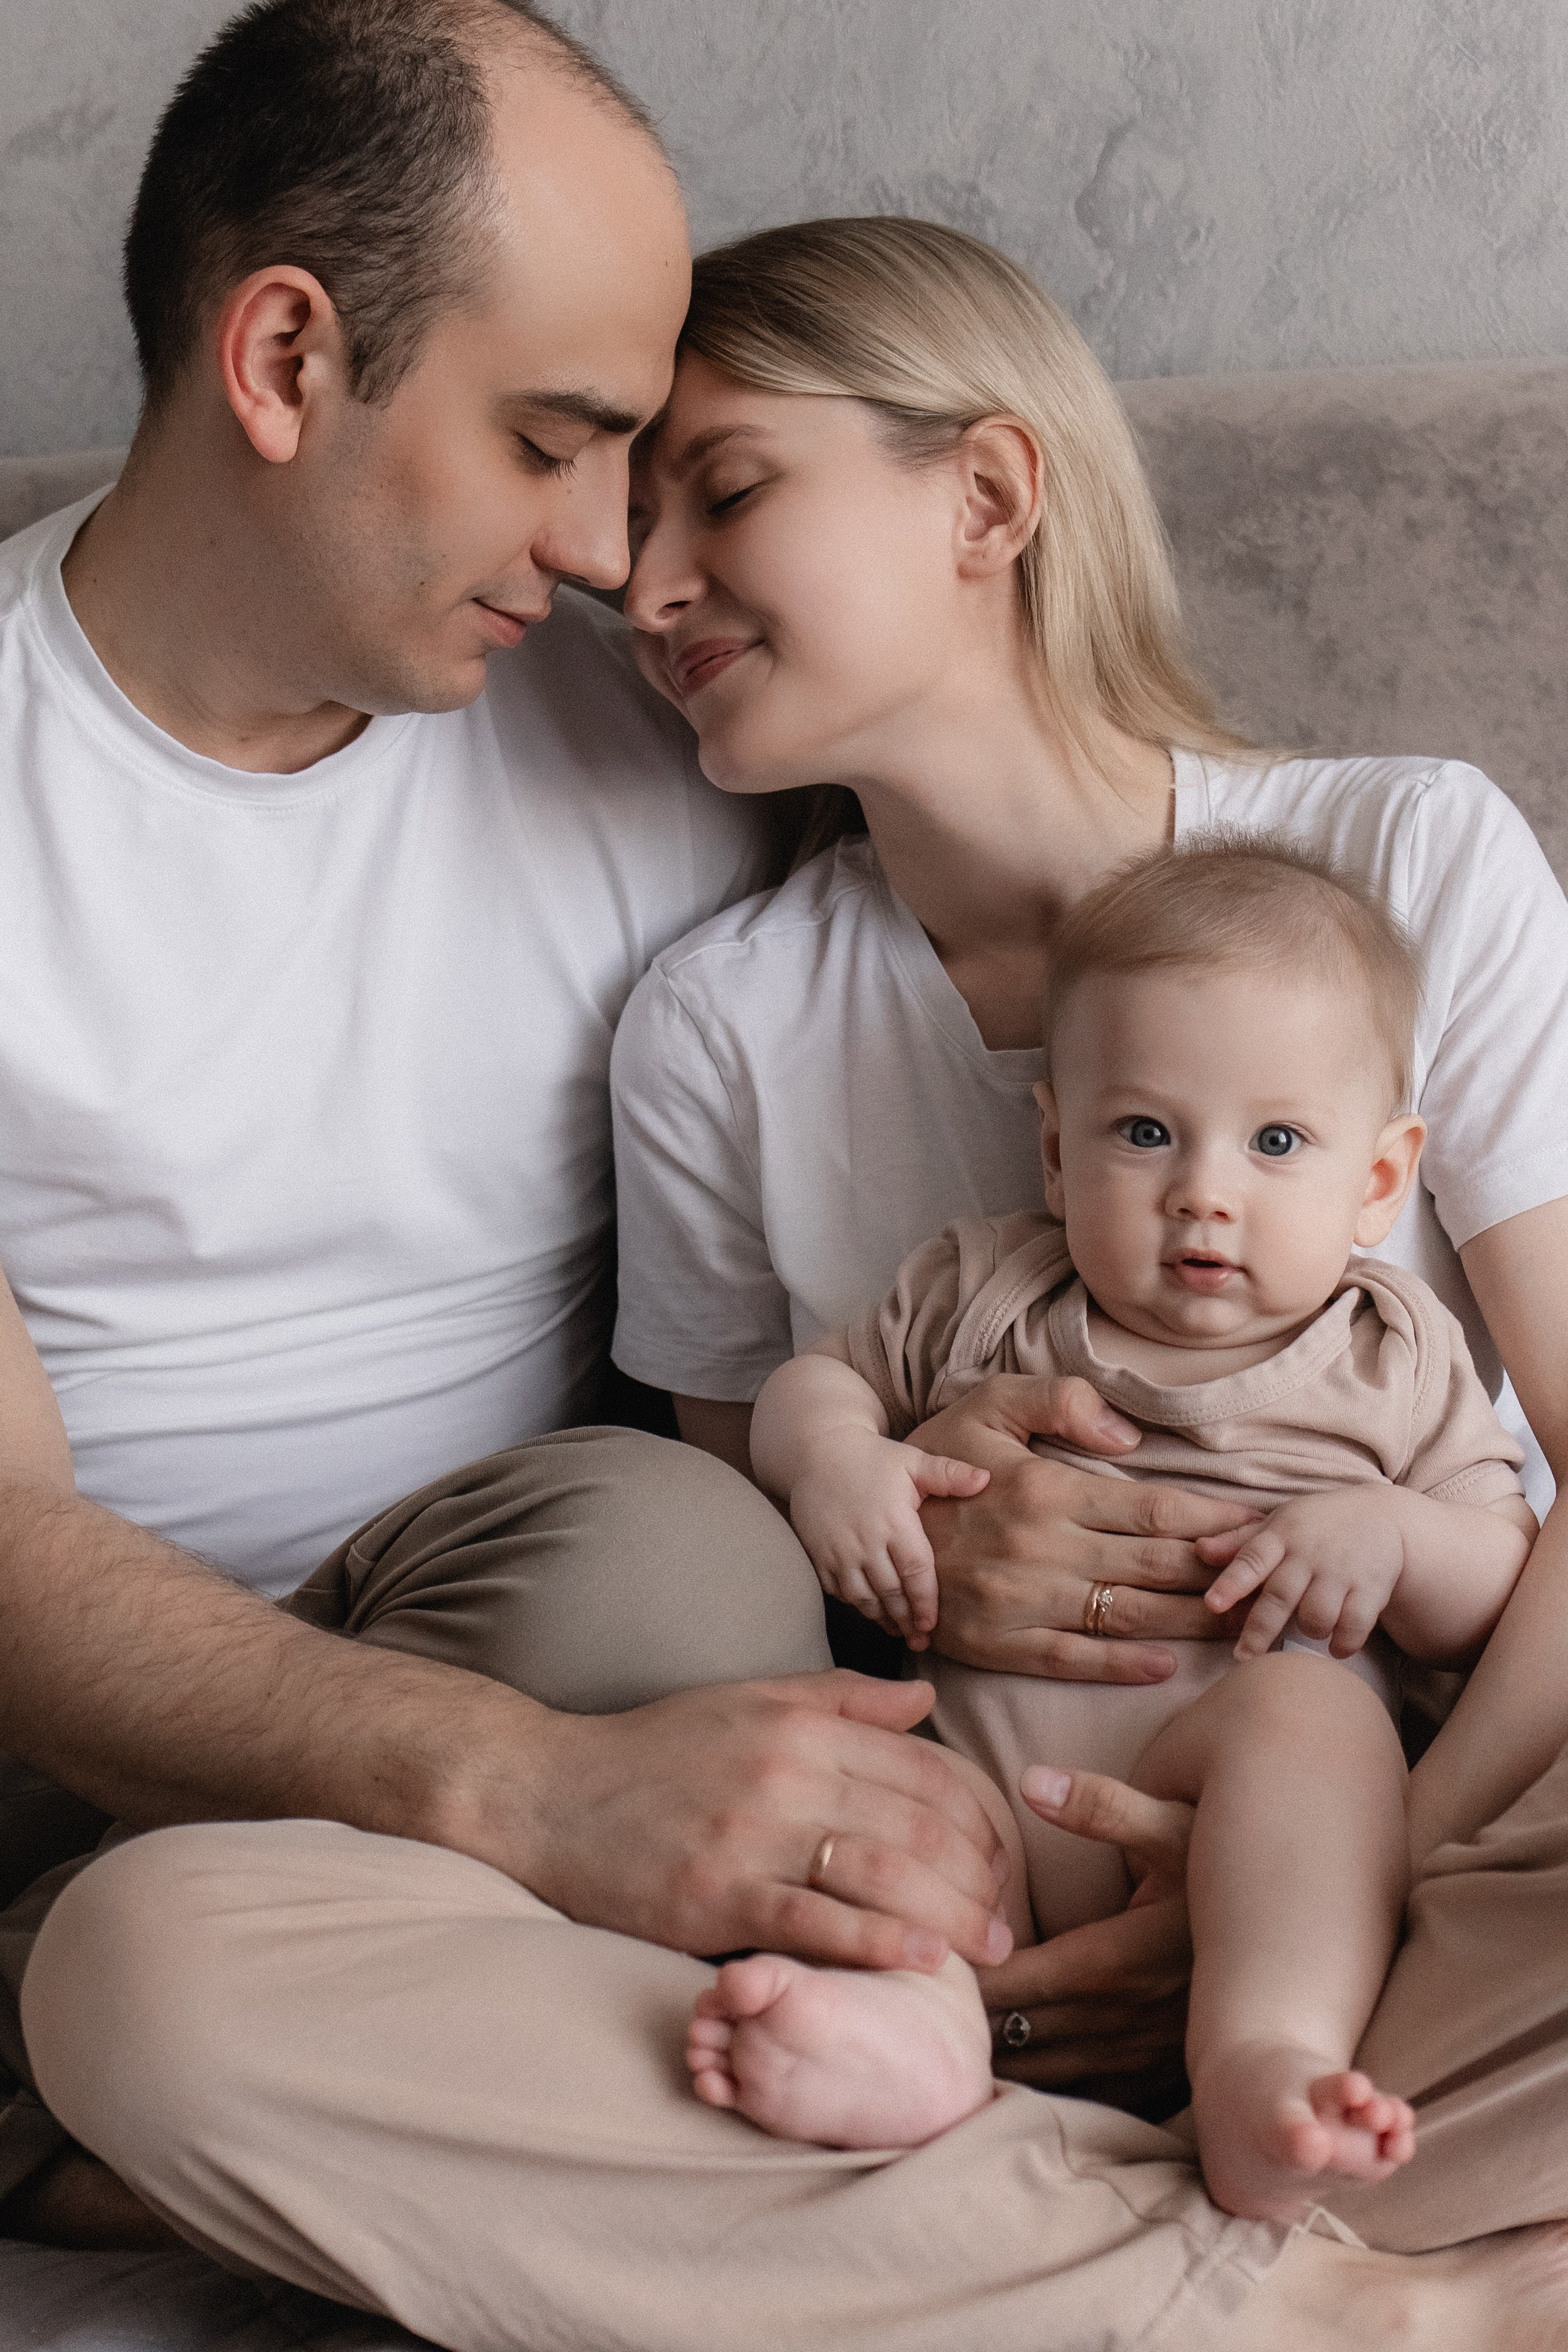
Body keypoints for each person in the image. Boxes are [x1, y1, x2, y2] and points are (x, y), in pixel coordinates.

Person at [16, 204, 1568, 2349]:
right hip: (990, 1874)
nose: (631, 584)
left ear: (989, 495)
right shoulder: (720, 1024)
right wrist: (926, 1518)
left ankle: (1179, 2189)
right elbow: (759, 1622)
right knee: (152, 1968)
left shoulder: (1404, 862)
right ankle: (1340, 2289)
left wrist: (1350, 1889)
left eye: (721, 494)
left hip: (1433, 1860)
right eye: (625, 512)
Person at [0, 0, 1012, 2257]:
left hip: (515, 1613)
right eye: (552, 437)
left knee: (675, 1551)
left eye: (644, 457)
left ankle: (181, 2123)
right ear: (282, 361)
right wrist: (534, 1798)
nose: (604, 548)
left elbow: (1051, 905)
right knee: (148, 1960)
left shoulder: (655, 708)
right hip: (76, 1762)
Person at [717, 837, 1533, 2226]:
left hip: (1241, 1793)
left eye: (1277, 1144)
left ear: (1381, 1182)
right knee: (875, 1797)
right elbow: (816, 1387)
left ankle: (1262, 2063)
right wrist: (839, 1461)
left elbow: (1502, 1569)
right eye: (1144, 1131)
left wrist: (1397, 1536)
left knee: (1315, 1732)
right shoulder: (984, 1288)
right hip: (985, 1779)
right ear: (1055, 1143)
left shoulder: (1392, 1351)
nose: (1201, 1192)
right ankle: (924, 2032)